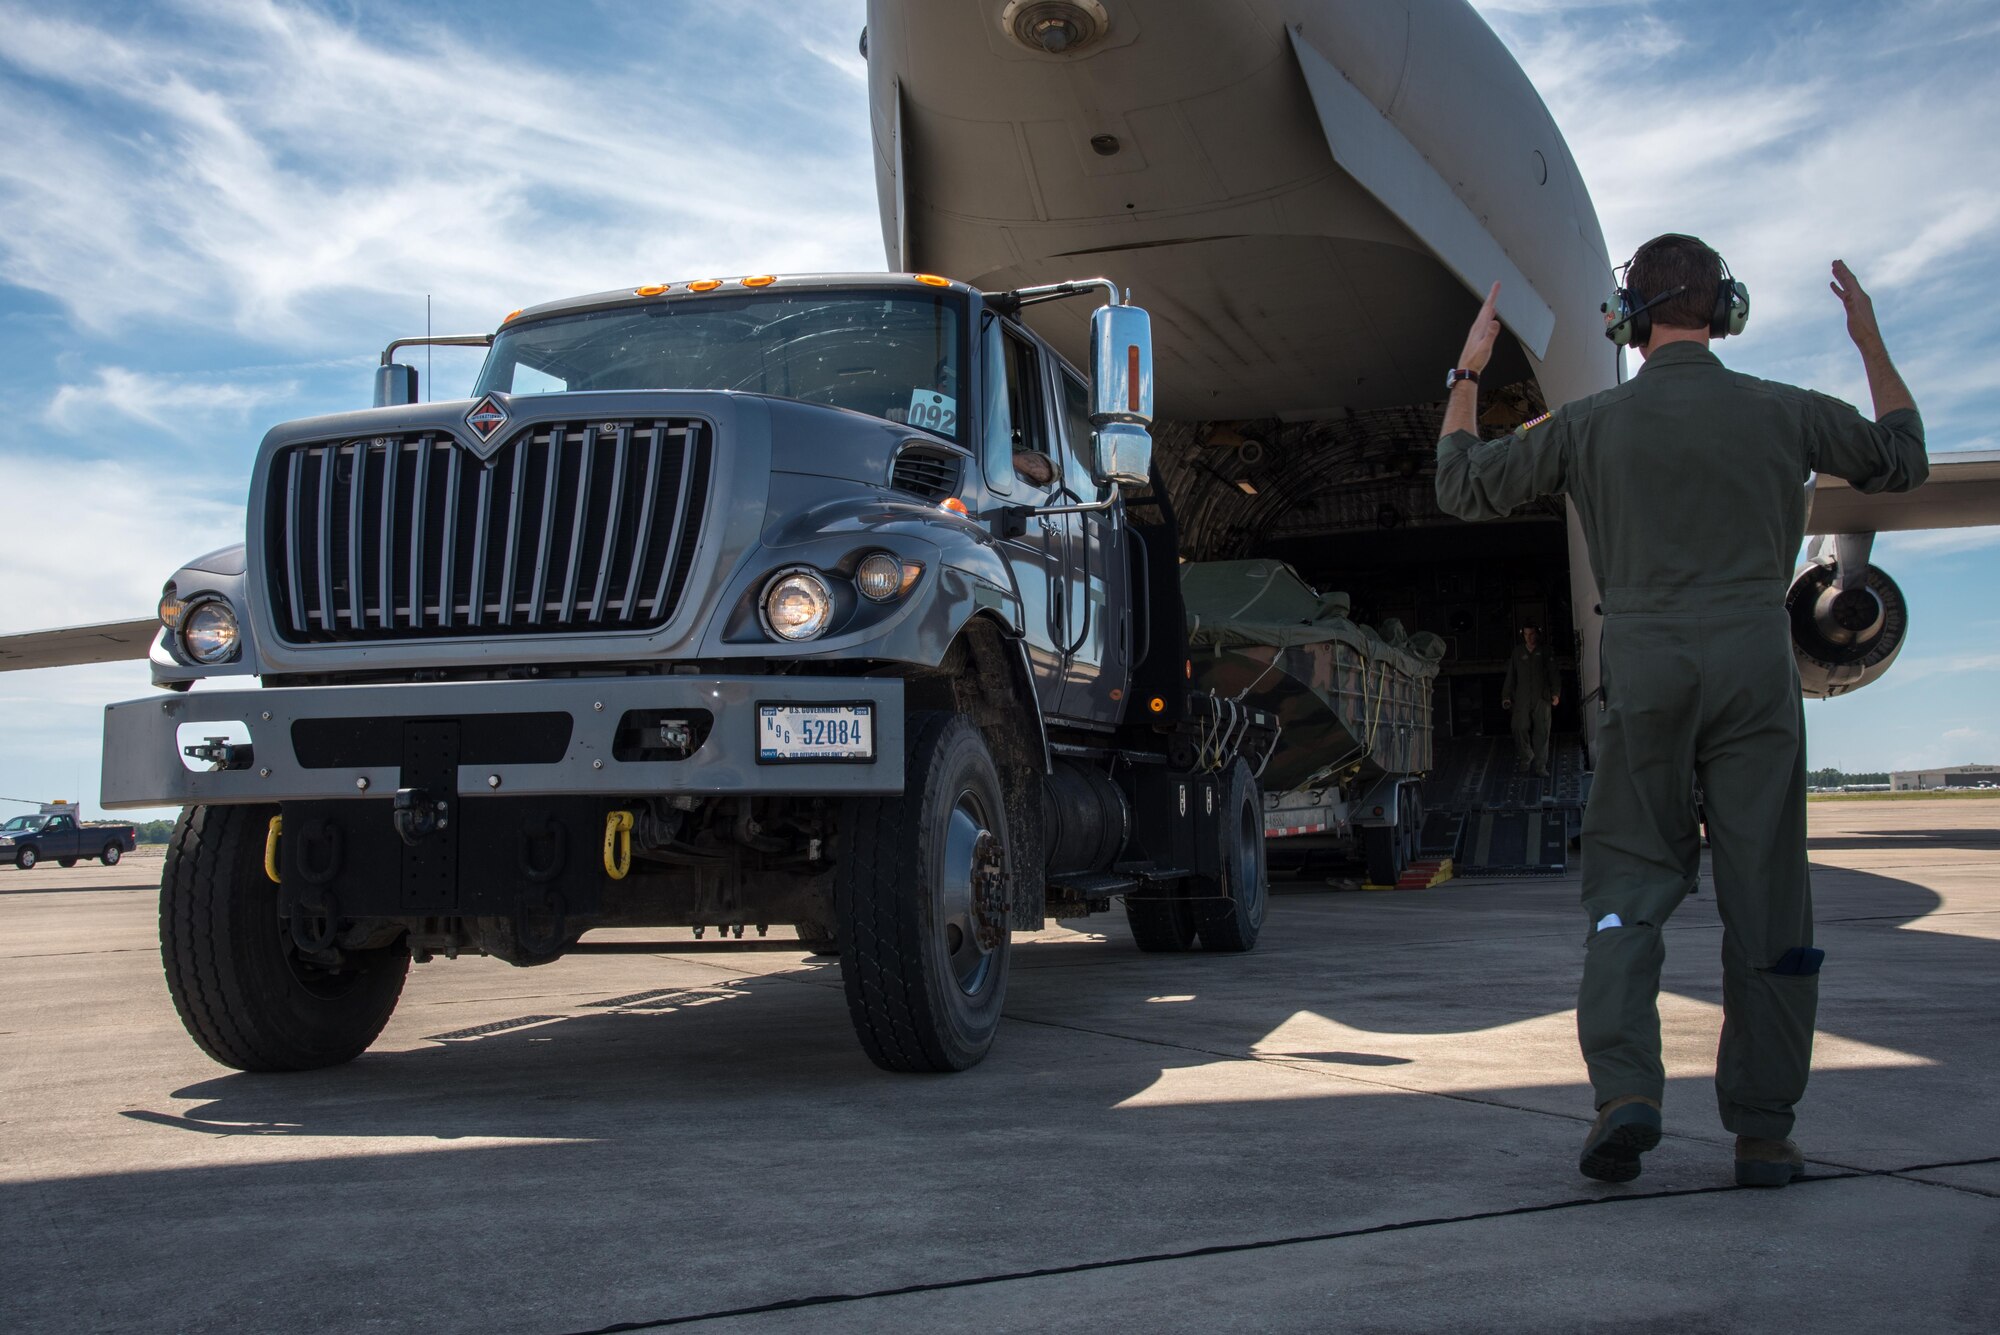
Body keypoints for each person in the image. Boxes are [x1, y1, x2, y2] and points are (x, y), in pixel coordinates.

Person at [1433, 237, 1926, 1187]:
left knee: (1626, 898)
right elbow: (1904, 458)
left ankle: (1627, 1093)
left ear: (1630, 319)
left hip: (1648, 665)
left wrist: (1467, 372)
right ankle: (1765, 1131)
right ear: (1725, 310)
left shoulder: (1586, 424)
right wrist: (1868, 341)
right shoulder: (1785, 411)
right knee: (1770, 904)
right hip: (1755, 664)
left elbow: (1461, 482)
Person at [1502, 625, 1560, 775]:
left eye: (1531, 634)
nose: (1529, 637)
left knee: (1542, 732)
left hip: (1542, 696)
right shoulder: (1518, 652)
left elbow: (1554, 673)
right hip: (1522, 697)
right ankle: (1527, 755)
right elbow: (1511, 676)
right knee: (1518, 727)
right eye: (1526, 634)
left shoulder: (1546, 651)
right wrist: (1506, 696)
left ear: (1537, 635)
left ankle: (1541, 766)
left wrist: (1556, 693)